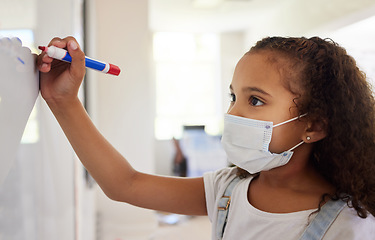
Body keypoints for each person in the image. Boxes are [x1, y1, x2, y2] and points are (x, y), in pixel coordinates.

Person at [38, 36, 375, 239]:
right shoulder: (227, 190)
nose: (233, 113)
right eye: (233, 97)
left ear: (313, 125)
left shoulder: (349, 226)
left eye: (255, 100)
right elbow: (124, 184)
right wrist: (62, 100)